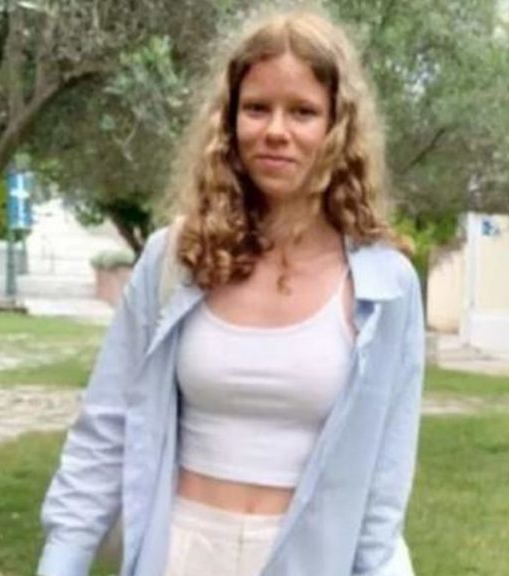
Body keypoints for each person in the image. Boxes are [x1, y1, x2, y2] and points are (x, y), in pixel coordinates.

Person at [37, 8, 425, 576]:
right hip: (182, 551)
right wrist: (62, 561)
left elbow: (384, 481)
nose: (276, 131)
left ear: (337, 128)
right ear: (230, 120)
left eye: (303, 112)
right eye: (257, 108)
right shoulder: (176, 260)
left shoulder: (386, 286)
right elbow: (105, 430)